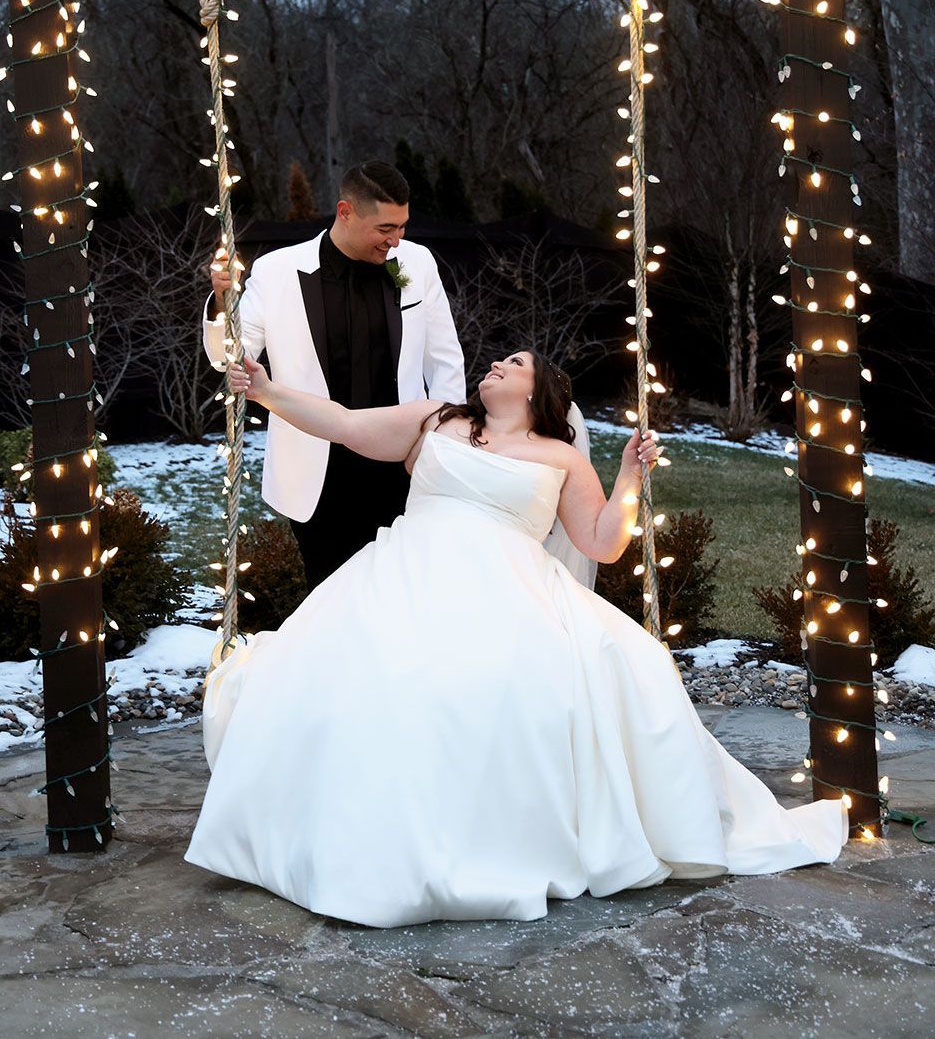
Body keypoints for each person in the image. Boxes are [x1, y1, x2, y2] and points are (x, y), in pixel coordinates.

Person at [185, 351, 847, 928]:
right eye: (497, 360)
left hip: (511, 588)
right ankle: (357, 846)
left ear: (537, 392)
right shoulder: (435, 421)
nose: (496, 364)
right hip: (407, 573)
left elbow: (600, 542)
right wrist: (267, 392)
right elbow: (347, 424)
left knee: (569, 675)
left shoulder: (558, 456)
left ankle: (492, 841)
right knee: (378, 680)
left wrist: (627, 479)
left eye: (514, 362)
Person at [202, 159, 465, 588]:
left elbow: (446, 360)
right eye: (385, 228)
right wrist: (221, 300)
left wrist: (441, 443)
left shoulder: (417, 262)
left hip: (403, 462)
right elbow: (231, 356)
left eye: (402, 226)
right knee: (328, 597)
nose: (397, 239)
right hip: (317, 470)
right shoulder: (277, 272)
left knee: (407, 592)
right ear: (346, 212)